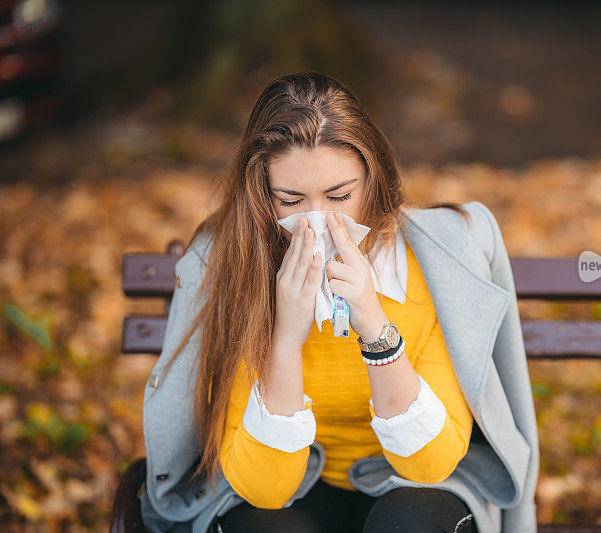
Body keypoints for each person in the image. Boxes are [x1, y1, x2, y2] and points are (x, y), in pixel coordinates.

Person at [139, 72, 540, 533]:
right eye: (291, 200)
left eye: (339, 196)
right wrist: (285, 339)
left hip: (412, 487)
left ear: (374, 179)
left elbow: (429, 466)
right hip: (288, 491)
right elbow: (266, 491)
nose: (320, 222)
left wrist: (374, 325)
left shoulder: (427, 266)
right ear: (261, 197)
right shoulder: (241, 268)